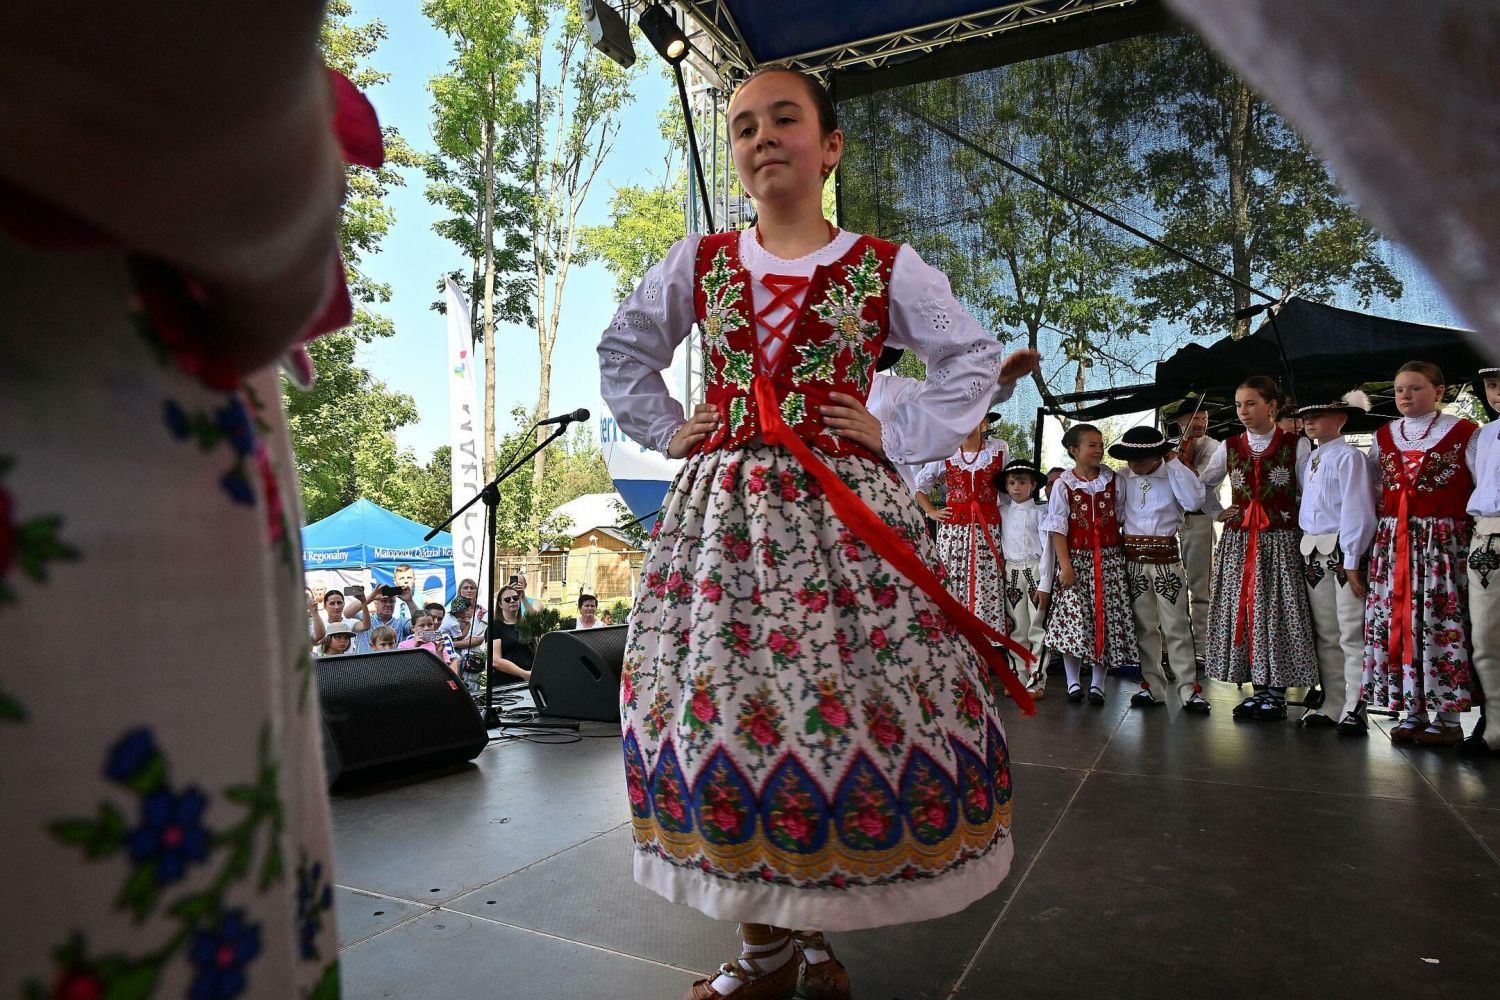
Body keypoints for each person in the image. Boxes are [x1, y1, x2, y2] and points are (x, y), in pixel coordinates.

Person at [596, 63, 1041, 1000]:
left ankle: (804, 938)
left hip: (846, 519)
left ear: (830, 146)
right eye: (743, 125)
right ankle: (771, 952)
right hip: (723, 527)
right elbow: (625, 347)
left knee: (839, 715)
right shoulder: (700, 261)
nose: (761, 136)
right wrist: (668, 427)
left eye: (784, 118)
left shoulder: (884, 264)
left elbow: (970, 357)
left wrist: (898, 434)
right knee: (729, 713)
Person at [1364, 362, 1481, 747]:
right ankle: (1413, 710)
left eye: (1415, 388)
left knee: (1437, 621)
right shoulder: (1383, 435)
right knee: (1400, 621)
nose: (1405, 395)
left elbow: (1483, 485)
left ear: (1439, 391)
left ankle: (1448, 717)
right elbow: (1374, 488)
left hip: (1442, 544)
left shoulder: (1465, 433)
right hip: (1395, 542)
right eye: (1399, 389)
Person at [1198, 376, 1317, 721]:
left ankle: (1276, 692)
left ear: (1272, 406)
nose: (1243, 411)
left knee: (1276, 611)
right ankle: (1259, 689)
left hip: (1280, 541)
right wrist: (1218, 512)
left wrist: (1293, 518)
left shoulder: (1296, 445)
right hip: (1239, 543)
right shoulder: (1230, 445)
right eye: (1239, 404)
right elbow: (1204, 485)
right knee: (1248, 611)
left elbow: (1308, 493)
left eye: (1251, 403)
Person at [1293, 391, 1378, 735]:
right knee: (1326, 632)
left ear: (1341, 419)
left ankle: (1355, 704)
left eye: (1318, 416)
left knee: (1350, 630)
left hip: (1343, 551)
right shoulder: (1311, 459)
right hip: (1313, 549)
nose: (1309, 422)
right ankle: (1333, 700)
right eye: (1306, 417)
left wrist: (1353, 558)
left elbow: (1359, 509)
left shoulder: (1350, 457)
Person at [1110, 427, 1211, 713]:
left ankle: (1188, 689)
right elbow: (1117, 514)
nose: (1134, 463)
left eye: (1141, 458)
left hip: (1167, 559)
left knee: (1176, 625)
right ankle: (1153, 686)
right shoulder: (1123, 477)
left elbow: (1194, 502)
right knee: (1144, 626)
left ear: (1158, 455)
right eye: (1130, 458)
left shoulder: (1174, 474)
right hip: (1133, 560)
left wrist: (1175, 462)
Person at [1044, 424, 1135, 705]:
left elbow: (1122, 517)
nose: (1099, 450)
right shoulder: (1063, 485)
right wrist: (1065, 566)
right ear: (1074, 450)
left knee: (1105, 619)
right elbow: (1058, 528)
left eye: (1100, 444)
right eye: (1092, 445)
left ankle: (1098, 683)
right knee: (1074, 620)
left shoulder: (1114, 480)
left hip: (1109, 560)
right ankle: (1072, 681)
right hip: (1077, 561)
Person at [915, 412, 1009, 633]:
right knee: (953, 578)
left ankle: (985, 637)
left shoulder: (999, 449)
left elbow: (1006, 491)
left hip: (986, 530)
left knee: (984, 581)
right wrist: (931, 511)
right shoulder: (946, 451)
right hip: (954, 531)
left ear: (984, 422)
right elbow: (918, 487)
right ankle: (954, 636)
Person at [1460, 365, 1500, 756]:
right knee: (1485, 636)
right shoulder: (1483, 435)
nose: (1498, 392)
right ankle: (1494, 726)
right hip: (1487, 535)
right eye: (1491, 385)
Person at [1165, 395, 1222, 665]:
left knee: (1201, 587)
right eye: (1194, 418)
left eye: (1203, 418)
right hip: (1171, 521)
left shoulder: (1214, 447)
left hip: (1199, 519)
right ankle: (1173, 645)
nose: (1200, 423)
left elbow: (1199, 483)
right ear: (1180, 421)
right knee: (1170, 586)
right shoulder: (1169, 447)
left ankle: (1202, 646)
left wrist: (1180, 461)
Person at [995, 459, 1053, 696]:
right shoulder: (1001, 511)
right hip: (1011, 571)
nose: (1016, 487)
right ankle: (1018, 675)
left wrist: (1046, 582)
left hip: (1035, 569)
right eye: (1011, 483)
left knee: (1037, 627)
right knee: (1017, 627)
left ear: (1033, 485)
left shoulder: (1041, 512)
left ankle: (1037, 679)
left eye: (1021, 482)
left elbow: (1048, 549)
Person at [486, 584, 534, 682]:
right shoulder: (494, 627)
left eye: (515, 598)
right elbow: (495, 660)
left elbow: (536, 619)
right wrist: (524, 674)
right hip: (507, 683)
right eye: (507, 600)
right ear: (500, 604)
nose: (512, 601)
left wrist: (524, 598)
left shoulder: (526, 623)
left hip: (530, 678)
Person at [354, 584, 416, 653]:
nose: (388, 604)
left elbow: (418, 623)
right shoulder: (365, 619)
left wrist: (409, 601)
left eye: (391, 601)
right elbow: (347, 613)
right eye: (384, 601)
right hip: (365, 660)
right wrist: (370, 598)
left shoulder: (401, 623)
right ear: (375, 602)